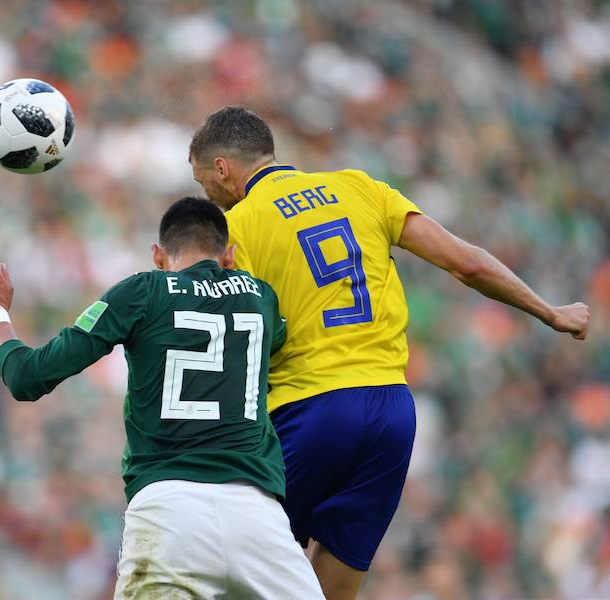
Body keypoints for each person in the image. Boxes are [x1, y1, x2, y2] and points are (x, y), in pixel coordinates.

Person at [188, 106, 591, 600]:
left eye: (202, 179)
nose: (204, 193)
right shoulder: (362, 187)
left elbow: (236, 337)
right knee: (331, 587)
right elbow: (466, 263)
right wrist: (549, 310)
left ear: (223, 169)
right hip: (393, 416)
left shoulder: (237, 228)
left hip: (310, 409)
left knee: (213, 562)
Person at [0, 197, 325, 599]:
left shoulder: (141, 292)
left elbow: (27, 376)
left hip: (167, 514)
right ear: (230, 255)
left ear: (157, 255)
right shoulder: (260, 297)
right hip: (258, 517)